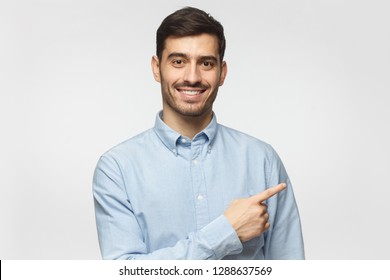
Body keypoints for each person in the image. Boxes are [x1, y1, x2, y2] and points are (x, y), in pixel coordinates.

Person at [93, 6, 304, 260]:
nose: (192, 77)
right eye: (178, 61)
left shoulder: (262, 160)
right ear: (157, 68)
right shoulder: (117, 169)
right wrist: (226, 232)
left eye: (205, 63)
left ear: (222, 73)